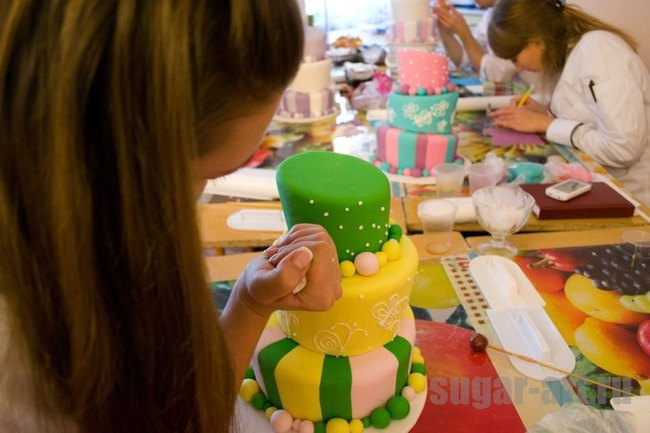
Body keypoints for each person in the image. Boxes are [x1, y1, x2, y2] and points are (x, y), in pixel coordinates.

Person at [0, 1, 342, 433]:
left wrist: (251, 302)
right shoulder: (22, 360)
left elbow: (177, 406)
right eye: (203, 175)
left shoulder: (94, 244)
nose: (194, 199)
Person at [488, 0, 650, 206]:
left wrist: (548, 124)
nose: (518, 67)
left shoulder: (600, 51)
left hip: (636, 200)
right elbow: (592, 117)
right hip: (602, 186)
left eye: (514, 58)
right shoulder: (572, 53)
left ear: (536, 42)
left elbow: (622, 149)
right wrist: (544, 113)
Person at [433, 0, 540, 88]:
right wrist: (444, 26)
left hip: (535, 96)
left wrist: (464, 34)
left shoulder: (516, 13)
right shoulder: (491, 14)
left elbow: (495, 75)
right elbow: (464, 60)